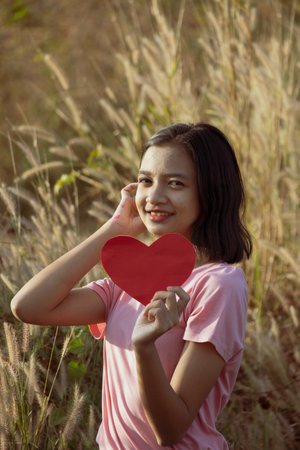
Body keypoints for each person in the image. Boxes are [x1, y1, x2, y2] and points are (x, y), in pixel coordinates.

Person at [11, 123, 252, 449]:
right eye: (145, 181)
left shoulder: (218, 286)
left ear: (211, 193)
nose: (153, 196)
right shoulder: (126, 285)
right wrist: (113, 229)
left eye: (176, 183)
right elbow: (28, 306)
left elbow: (170, 430)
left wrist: (144, 347)